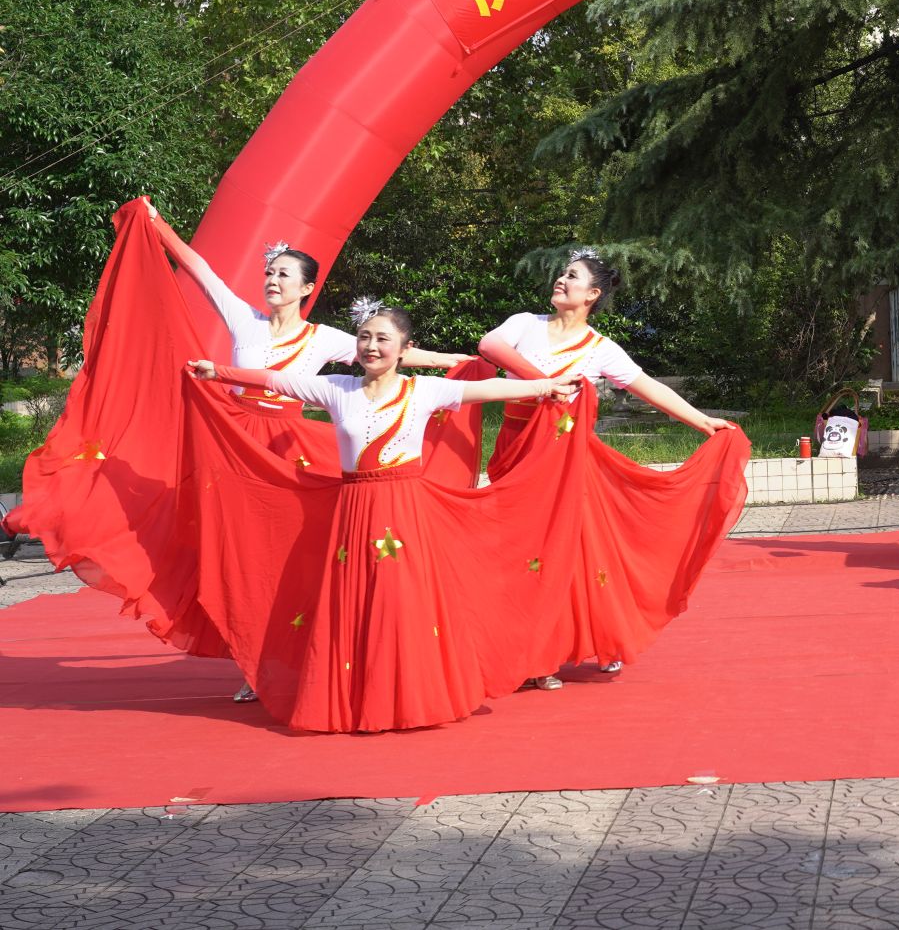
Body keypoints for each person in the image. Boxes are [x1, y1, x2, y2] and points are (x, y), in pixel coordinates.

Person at [186, 300, 583, 731]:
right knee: (354, 600)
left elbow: (488, 391)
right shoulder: (337, 388)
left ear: (405, 349)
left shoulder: (423, 390)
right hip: (354, 510)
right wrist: (217, 372)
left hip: (404, 509)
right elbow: (275, 380)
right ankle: (354, 697)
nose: (371, 346)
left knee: (400, 600)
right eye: (364, 337)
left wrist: (547, 386)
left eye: (382, 339)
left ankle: (409, 696)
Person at [476, 248, 739, 685]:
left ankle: (567, 648)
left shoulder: (599, 348)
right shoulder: (525, 324)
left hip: (567, 465)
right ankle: (526, 650)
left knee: (571, 553)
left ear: (592, 294)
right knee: (519, 554)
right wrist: (547, 383)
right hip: (516, 454)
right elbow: (489, 346)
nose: (562, 280)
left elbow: (647, 387)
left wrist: (702, 421)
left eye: (572, 276)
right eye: (562, 273)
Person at [151, 208, 470, 468]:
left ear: (306, 288)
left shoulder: (321, 338)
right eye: (269, 273)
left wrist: (448, 360)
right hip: (234, 428)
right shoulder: (244, 319)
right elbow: (201, 271)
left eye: (283, 274)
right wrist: (157, 224)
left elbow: (385, 352)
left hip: (284, 436)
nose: (272, 280)